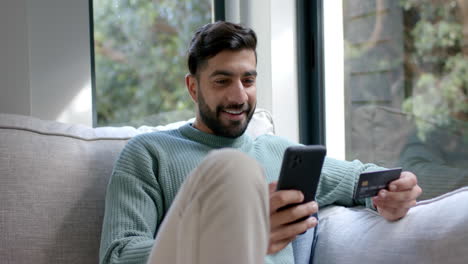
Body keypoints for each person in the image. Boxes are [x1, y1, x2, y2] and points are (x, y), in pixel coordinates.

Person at [99, 21, 422, 264]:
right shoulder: (148, 153)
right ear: (194, 88)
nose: (239, 96)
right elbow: (117, 255)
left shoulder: (279, 154)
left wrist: (396, 189)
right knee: (234, 167)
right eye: (222, 81)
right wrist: (236, 237)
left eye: (248, 80)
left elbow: (361, 178)